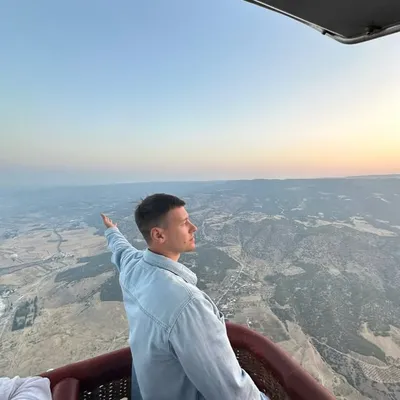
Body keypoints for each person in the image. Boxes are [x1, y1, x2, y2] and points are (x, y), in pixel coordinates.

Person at [101, 193, 269, 400]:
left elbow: (121, 249)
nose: (193, 227)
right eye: (184, 223)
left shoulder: (133, 267)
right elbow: (231, 393)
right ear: (158, 235)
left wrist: (112, 230)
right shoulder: (187, 304)